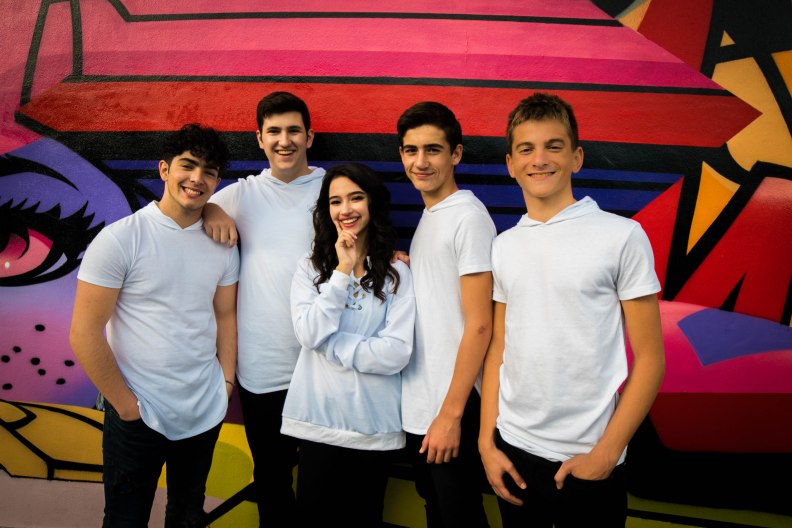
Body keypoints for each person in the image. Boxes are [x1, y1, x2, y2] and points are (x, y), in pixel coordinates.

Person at [479, 92, 665, 527]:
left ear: (576, 158)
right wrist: (487, 443)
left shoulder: (622, 236)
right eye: (526, 149)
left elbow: (651, 358)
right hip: (513, 450)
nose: (539, 159)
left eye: (554, 146)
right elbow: (499, 349)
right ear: (510, 164)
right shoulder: (504, 246)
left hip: (588, 458)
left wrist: (606, 454)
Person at [69, 124, 239, 527]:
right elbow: (84, 332)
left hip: (203, 408)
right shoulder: (121, 239)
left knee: (187, 516)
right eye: (188, 165)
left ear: (217, 181)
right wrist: (126, 405)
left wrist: (226, 383)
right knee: (125, 519)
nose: (197, 178)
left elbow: (225, 315)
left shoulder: (222, 243)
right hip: (139, 412)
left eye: (209, 171)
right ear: (164, 169)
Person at [200, 91, 324, 526]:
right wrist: (211, 208)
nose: (284, 141)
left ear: (309, 136)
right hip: (262, 369)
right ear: (259, 138)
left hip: (325, 365)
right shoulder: (242, 194)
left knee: (323, 485)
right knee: (271, 480)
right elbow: (183, 206)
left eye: (293, 131)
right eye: (274, 131)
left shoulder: (335, 189)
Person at [282, 162, 415, 527]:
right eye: (335, 201)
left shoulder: (397, 273)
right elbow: (308, 334)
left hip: (373, 430)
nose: (345, 209)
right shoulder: (310, 268)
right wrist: (341, 271)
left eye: (356, 198)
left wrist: (330, 345)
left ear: (372, 203)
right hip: (317, 423)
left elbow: (396, 353)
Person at [397, 101, 496, 527]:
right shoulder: (432, 216)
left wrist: (452, 414)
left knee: (460, 515)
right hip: (424, 404)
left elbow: (480, 323)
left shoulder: (467, 218)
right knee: (437, 511)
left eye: (433, 150)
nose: (420, 162)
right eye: (411, 150)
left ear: (456, 154)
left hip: (454, 405)